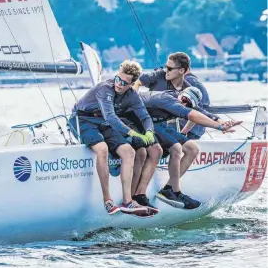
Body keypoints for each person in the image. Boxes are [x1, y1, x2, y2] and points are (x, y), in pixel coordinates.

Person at [69, 60, 162, 216]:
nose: (118, 84)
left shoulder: (132, 95)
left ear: (131, 84)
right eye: (118, 79)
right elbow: (111, 117)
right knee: (102, 149)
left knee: (129, 152)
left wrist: (149, 132)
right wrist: (132, 133)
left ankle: (127, 201)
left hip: (102, 122)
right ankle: (107, 200)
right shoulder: (105, 88)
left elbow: (145, 116)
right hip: (82, 120)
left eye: (124, 83)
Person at [139, 87, 242, 209]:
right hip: (142, 122)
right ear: (181, 94)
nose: (184, 103)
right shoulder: (166, 98)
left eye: (188, 103)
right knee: (176, 149)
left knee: (192, 149)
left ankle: (169, 189)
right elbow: (193, 115)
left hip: (158, 124)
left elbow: (200, 113)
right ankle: (175, 192)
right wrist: (219, 127)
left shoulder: (182, 101)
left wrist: (222, 122)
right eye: (184, 99)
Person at [134, 52, 224, 138]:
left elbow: (196, 112)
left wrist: (221, 123)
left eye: (169, 69)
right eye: (166, 67)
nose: (166, 71)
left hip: (163, 125)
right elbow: (138, 81)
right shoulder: (160, 75)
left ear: (181, 70)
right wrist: (133, 102)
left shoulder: (188, 90)